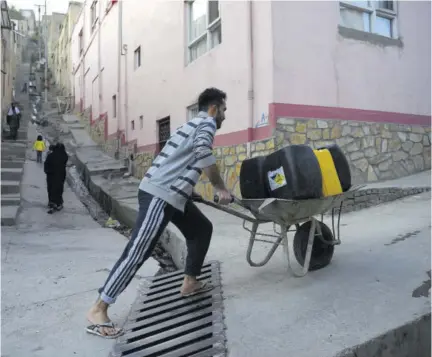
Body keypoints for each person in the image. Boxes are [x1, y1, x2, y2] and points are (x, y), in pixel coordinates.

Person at [86, 88, 232, 338]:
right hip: (160, 195)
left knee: (201, 229)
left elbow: (175, 161)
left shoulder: (189, 125)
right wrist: (220, 187)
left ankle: (190, 281)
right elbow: (202, 153)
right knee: (139, 249)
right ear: (213, 108)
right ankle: (99, 308)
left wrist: (187, 190)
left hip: (172, 194)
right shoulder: (206, 123)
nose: (224, 117)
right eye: (224, 111)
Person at [44, 143, 69, 213]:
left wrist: (47, 171)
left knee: (51, 188)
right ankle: (58, 203)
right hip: (60, 175)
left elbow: (46, 164)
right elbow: (65, 160)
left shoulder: (50, 156)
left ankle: (51, 202)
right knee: (59, 189)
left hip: (51, 175)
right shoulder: (64, 155)